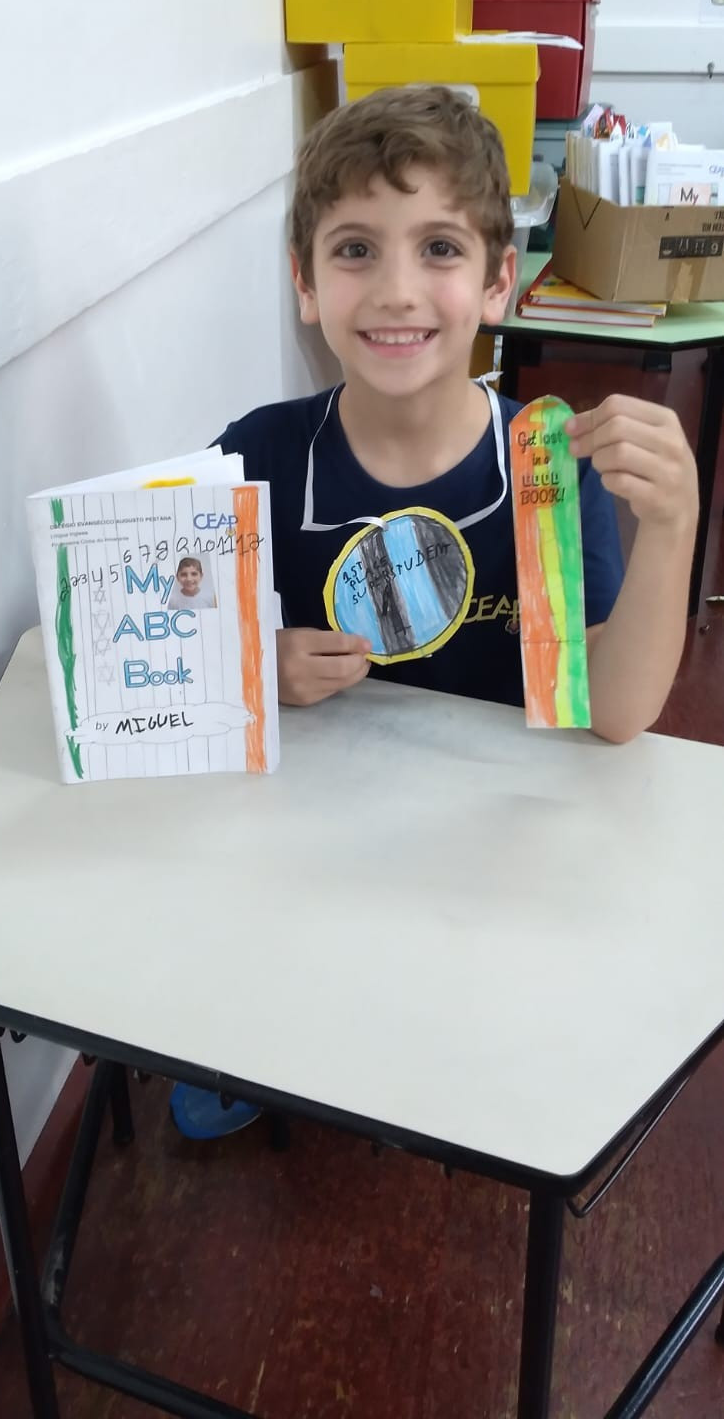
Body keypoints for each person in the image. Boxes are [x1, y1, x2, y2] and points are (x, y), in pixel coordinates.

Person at [169, 85, 699, 1140]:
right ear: (305, 282)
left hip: (492, 861)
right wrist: (254, 660)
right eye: (355, 250)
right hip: (307, 856)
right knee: (271, 983)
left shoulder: (543, 466)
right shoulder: (259, 456)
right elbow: (169, 632)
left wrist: (672, 529)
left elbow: (615, 711)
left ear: (500, 280)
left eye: (441, 249)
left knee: (487, 1057)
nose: (396, 290)